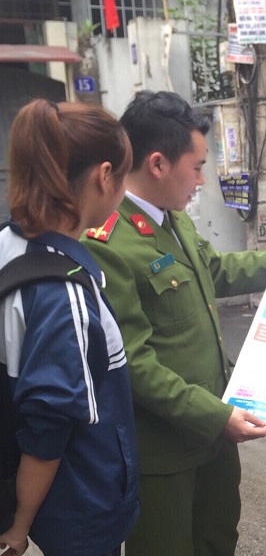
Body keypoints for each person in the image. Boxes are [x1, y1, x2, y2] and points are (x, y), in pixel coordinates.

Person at [81, 90, 266, 556]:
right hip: (165, 453)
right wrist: (217, 416)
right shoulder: (108, 242)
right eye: (197, 167)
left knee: (219, 540)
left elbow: (216, 270)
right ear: (158, 164)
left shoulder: (174, 220)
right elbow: (134, 363)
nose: (202, 180)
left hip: (213, 438)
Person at [0, 100, 138, 556]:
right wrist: (18, 526)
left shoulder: (8, 244)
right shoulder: (65, 295)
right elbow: (49, 431)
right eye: (124, 177)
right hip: (77, 510)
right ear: (104, 176)